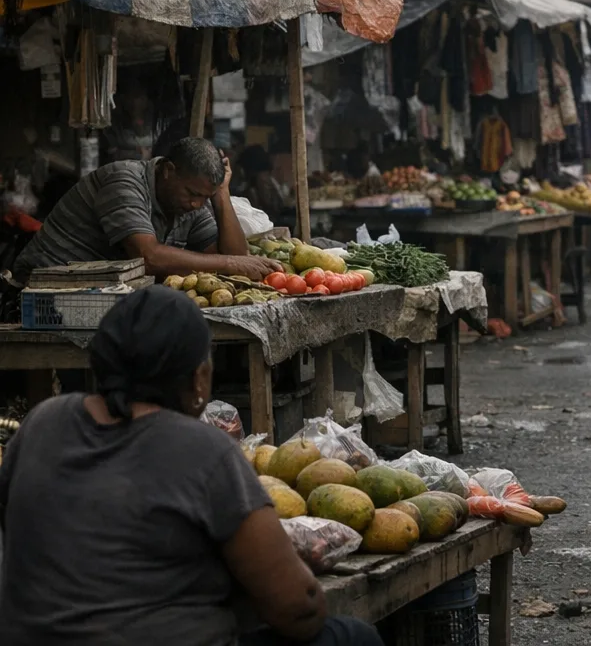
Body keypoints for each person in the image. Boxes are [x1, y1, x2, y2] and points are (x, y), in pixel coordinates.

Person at [0, 287, 383, 646]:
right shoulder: (204, 450)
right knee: (353, 636)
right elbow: (298, 609)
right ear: (199, 375)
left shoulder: (43, 422)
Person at [12, 137, 282, 285]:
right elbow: (148, 257)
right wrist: (231, 263)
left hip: (100, 289)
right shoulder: (124, 181)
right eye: (193, 194)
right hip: (43, 284)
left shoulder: (190, 200)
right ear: (168, 171)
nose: (197, 204)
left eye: (205, 197)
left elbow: (236, 260)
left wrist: (221, 195)